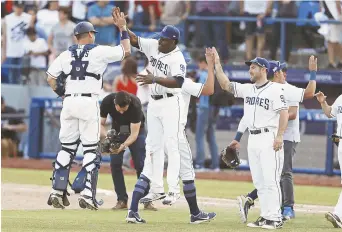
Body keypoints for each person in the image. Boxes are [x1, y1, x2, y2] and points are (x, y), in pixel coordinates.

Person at [46, 10, 130, 210]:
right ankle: (86, 195)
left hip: (69, 103)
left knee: (66, 148)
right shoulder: (98, 51)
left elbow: (50, 77)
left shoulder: (65, 54)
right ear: (91, 34)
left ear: (76, 37)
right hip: (88, 102)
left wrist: (62, 93)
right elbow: (126, 51)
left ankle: (56, 192)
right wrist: (122, 28)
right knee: (91, 149)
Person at [112, 7, 186, 223]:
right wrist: (124, 28)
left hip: (171, 102)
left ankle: (173, 190)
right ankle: (155, 188)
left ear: (173, 42)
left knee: (171, 144)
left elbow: (179, 82)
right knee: (152, 146)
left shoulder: (177, 57)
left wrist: (155, 80)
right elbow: (136, 41)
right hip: (154, 104)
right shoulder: (155, 45)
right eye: (160, 38)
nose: (160, 42)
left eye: (164, 40)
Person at [138, 48, 217, 224]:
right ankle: (191, 209)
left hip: (159, 130)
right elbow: (210, 89)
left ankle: (134, 208)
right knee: (187, 172)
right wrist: (211, 66)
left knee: (151, 166)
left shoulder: (157, 80)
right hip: (176, 134)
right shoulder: (184, 82)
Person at [235, 57, 317, 223]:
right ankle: (265, 209)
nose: (282, 73)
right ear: (273, 73)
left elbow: (292, 112)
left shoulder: (287, 89)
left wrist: (278, 116)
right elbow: (247, 117)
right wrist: (237, 137)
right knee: (268, 175)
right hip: (267, 137)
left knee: (282, 173)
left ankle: (286, 208)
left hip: (286, 136)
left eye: (282, 71)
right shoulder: (260, 90)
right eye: (279, 71)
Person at [214, 48, 288, 229]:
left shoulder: (275, 89)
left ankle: (275, 218)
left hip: (269, 137)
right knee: (259, 181)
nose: (250, 70)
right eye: (250, 67)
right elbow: (226, 84)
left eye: (254, 67)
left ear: (264, 70)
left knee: (271, 180)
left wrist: (279, 135)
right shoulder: (248, 89)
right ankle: (265, 216)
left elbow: (284, 113)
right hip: (253, 139)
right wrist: (216, 63)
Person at [100, 91, 155, 211]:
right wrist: (108, 138)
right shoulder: (107, 101)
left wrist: (123, 146)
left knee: (140, 164)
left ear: (129, 104)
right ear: (114, 103)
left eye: (124, 110)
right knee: (115, 164)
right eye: (119, 110)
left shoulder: (135, 104)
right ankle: (122, 200)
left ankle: (146, 200)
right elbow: (100, 124)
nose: (121, 113)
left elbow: (134, 135)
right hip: (118, 131)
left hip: (136, 131)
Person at [315, 92, 342, 228]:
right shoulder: (341, 97)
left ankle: (338, 214)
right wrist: (322, 102)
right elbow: (329, 113)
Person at [195, 56, 219, 171]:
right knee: (211, 136)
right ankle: (216, 165)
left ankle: (200, 164)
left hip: (204, 108)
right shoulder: (215, 74)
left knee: (199, 136)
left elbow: (199, 92)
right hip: (214, 109)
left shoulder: (204, 75)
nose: (199, 65)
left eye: (200, 63)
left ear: (204, 63)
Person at [2, 1, 33, 84]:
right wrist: (4, 53)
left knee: (23, 77)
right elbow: (5, 37)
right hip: (11, 51)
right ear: (13, 7)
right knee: (11, 76)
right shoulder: (7, 18)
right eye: (17, 7)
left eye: (21, 7)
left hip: (24, 52)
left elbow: (32, 34)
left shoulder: (29, 17)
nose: (19, 9)